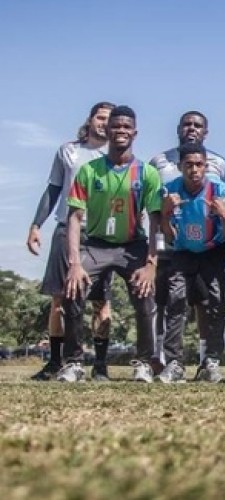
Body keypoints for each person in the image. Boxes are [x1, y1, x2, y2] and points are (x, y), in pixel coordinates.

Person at [58, 105, 162, 383]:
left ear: (135, 133)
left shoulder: (147, 173)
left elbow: (155, 223)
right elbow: (74, 218)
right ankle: (74, 362)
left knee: (145, 294)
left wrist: (151, 264)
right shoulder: (89, 171)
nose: (121, 131)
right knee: (72, 289)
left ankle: (143, 363)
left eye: (127, 127)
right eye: (116, 126)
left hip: (132, 245)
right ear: (107, 129)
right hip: (96, 245)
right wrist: (75, 263)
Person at [26, 101, 114, 381]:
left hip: (99, 235)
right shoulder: (69, 151)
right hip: (66, 231)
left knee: (100, 301)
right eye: (100, 117)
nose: (104, 123)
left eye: (110, 120)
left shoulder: (116, 157)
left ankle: (99, 364)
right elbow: (53, 189)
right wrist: (36, 225)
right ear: (90, 120)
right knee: (59, 299)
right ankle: (55, 361)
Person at [149, 110, 225, 368]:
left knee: (211, 302)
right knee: (170, 300)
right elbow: (161, 220)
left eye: (197, 125)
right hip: (176, 247)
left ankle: (210, 359)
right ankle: (166, 359)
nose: (192, 129)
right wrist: (164, 217)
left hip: (211, 248)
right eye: (187, 124)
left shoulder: (220, 170)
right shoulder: (161, 165)